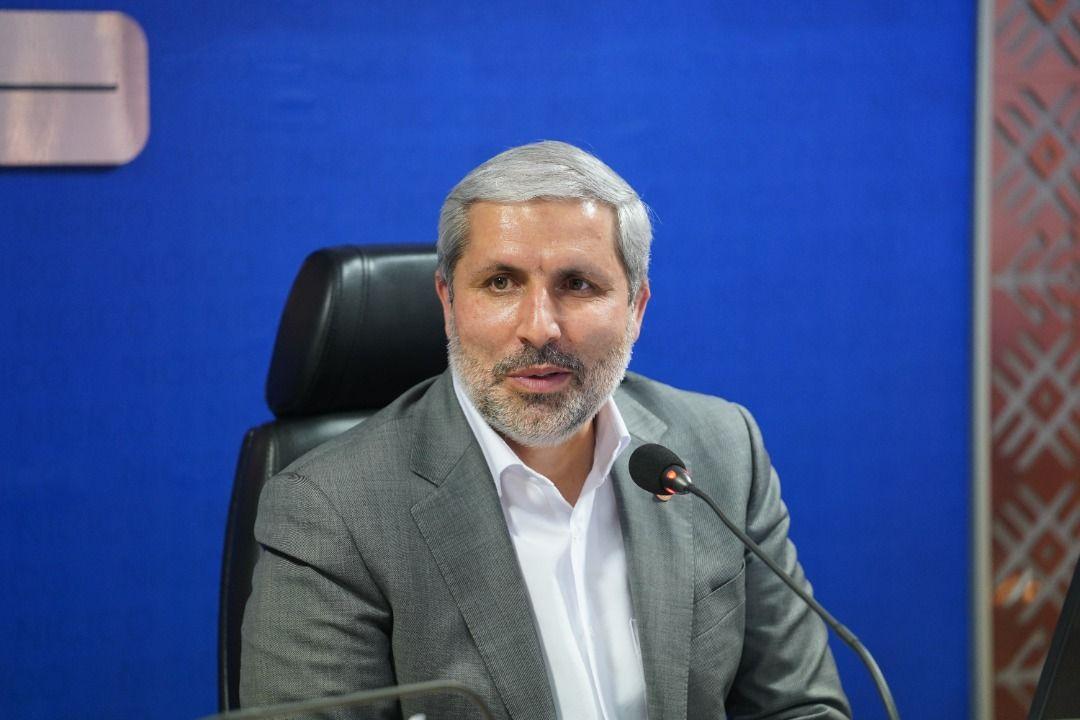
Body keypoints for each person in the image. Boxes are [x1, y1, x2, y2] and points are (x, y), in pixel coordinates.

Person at [240, 141, 850, 719]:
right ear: (448, 302)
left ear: (636, 309)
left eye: (577, 284)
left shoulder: (721, 449)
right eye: (500, 282)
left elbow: (798, 708)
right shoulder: (332, 513)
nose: (539, 327)